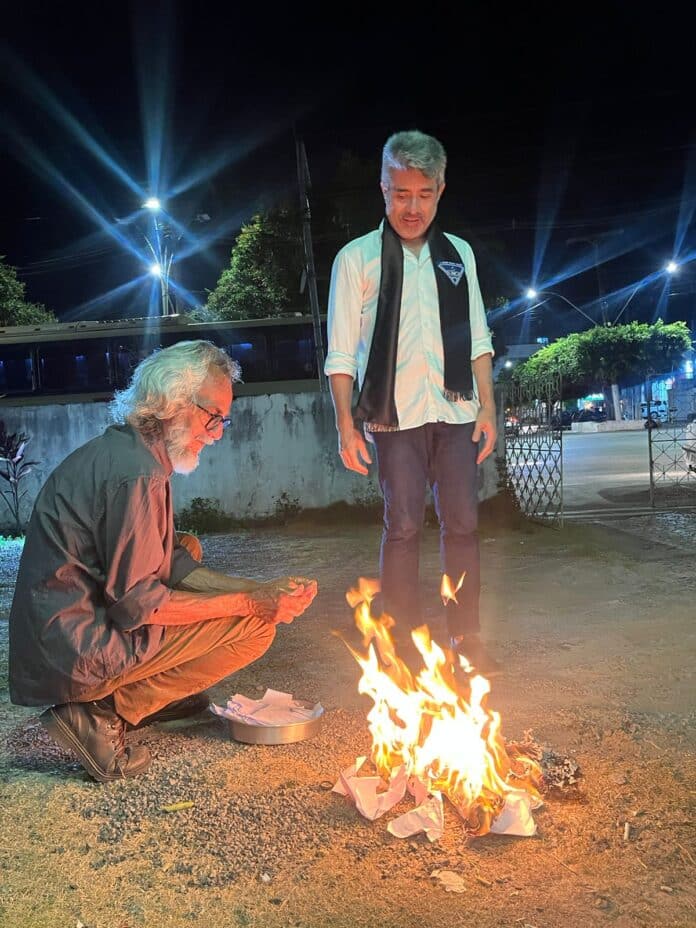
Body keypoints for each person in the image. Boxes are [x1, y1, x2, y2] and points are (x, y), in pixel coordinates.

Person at [9, 340, 317, 782]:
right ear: (174, 401)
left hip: (63, 630)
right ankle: (103, 711)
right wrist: (253, 606)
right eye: (214, 418)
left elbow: (171, 562)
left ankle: (137, 697)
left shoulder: (132, 451)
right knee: (255, 629)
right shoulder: (140, 474)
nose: (218, 433)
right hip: (74, 649)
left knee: (186, 547)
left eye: (222, 421)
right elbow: (138, 603)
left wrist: (255, 588)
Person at [324, 129, 497, 672]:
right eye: (401, 193)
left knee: (463, 525)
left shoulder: (458, 255)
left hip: (455, 412)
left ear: (441, 190)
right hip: (393, 418)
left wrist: (488, 406)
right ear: (383, 188)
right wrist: (345, 426)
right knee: (401, 527)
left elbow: (478, 336)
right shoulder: (357, 259)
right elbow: (340, 353)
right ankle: (399, 644)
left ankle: (463, 639)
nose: (413, 207)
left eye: (424, 194)